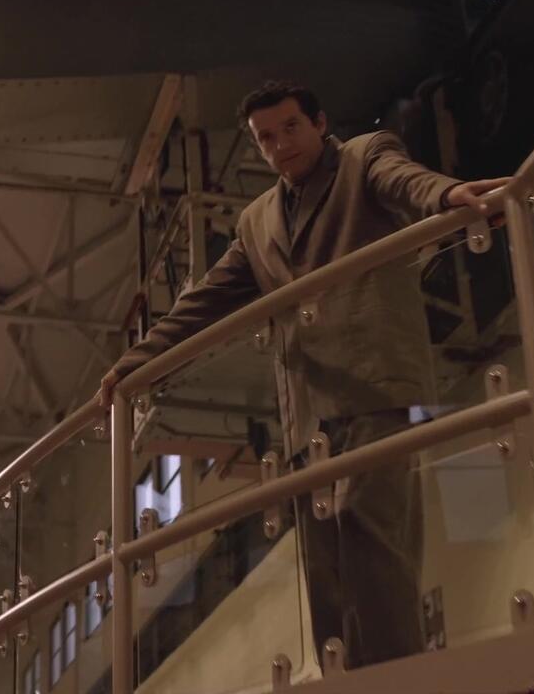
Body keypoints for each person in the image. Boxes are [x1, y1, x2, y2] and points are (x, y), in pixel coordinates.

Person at [97, 80, 508, 667]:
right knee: (325, 567)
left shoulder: (364, 157)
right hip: (306, 413)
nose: (279, 144)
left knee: (374, 545)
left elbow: (406, 181)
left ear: (319, 123)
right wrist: (133, 363)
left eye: (290, 127)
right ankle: (341, 677)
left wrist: (448, 197)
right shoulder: (256, 220)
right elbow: (205, 300)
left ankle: (394, 680)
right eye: (265, 138)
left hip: (375, 388)